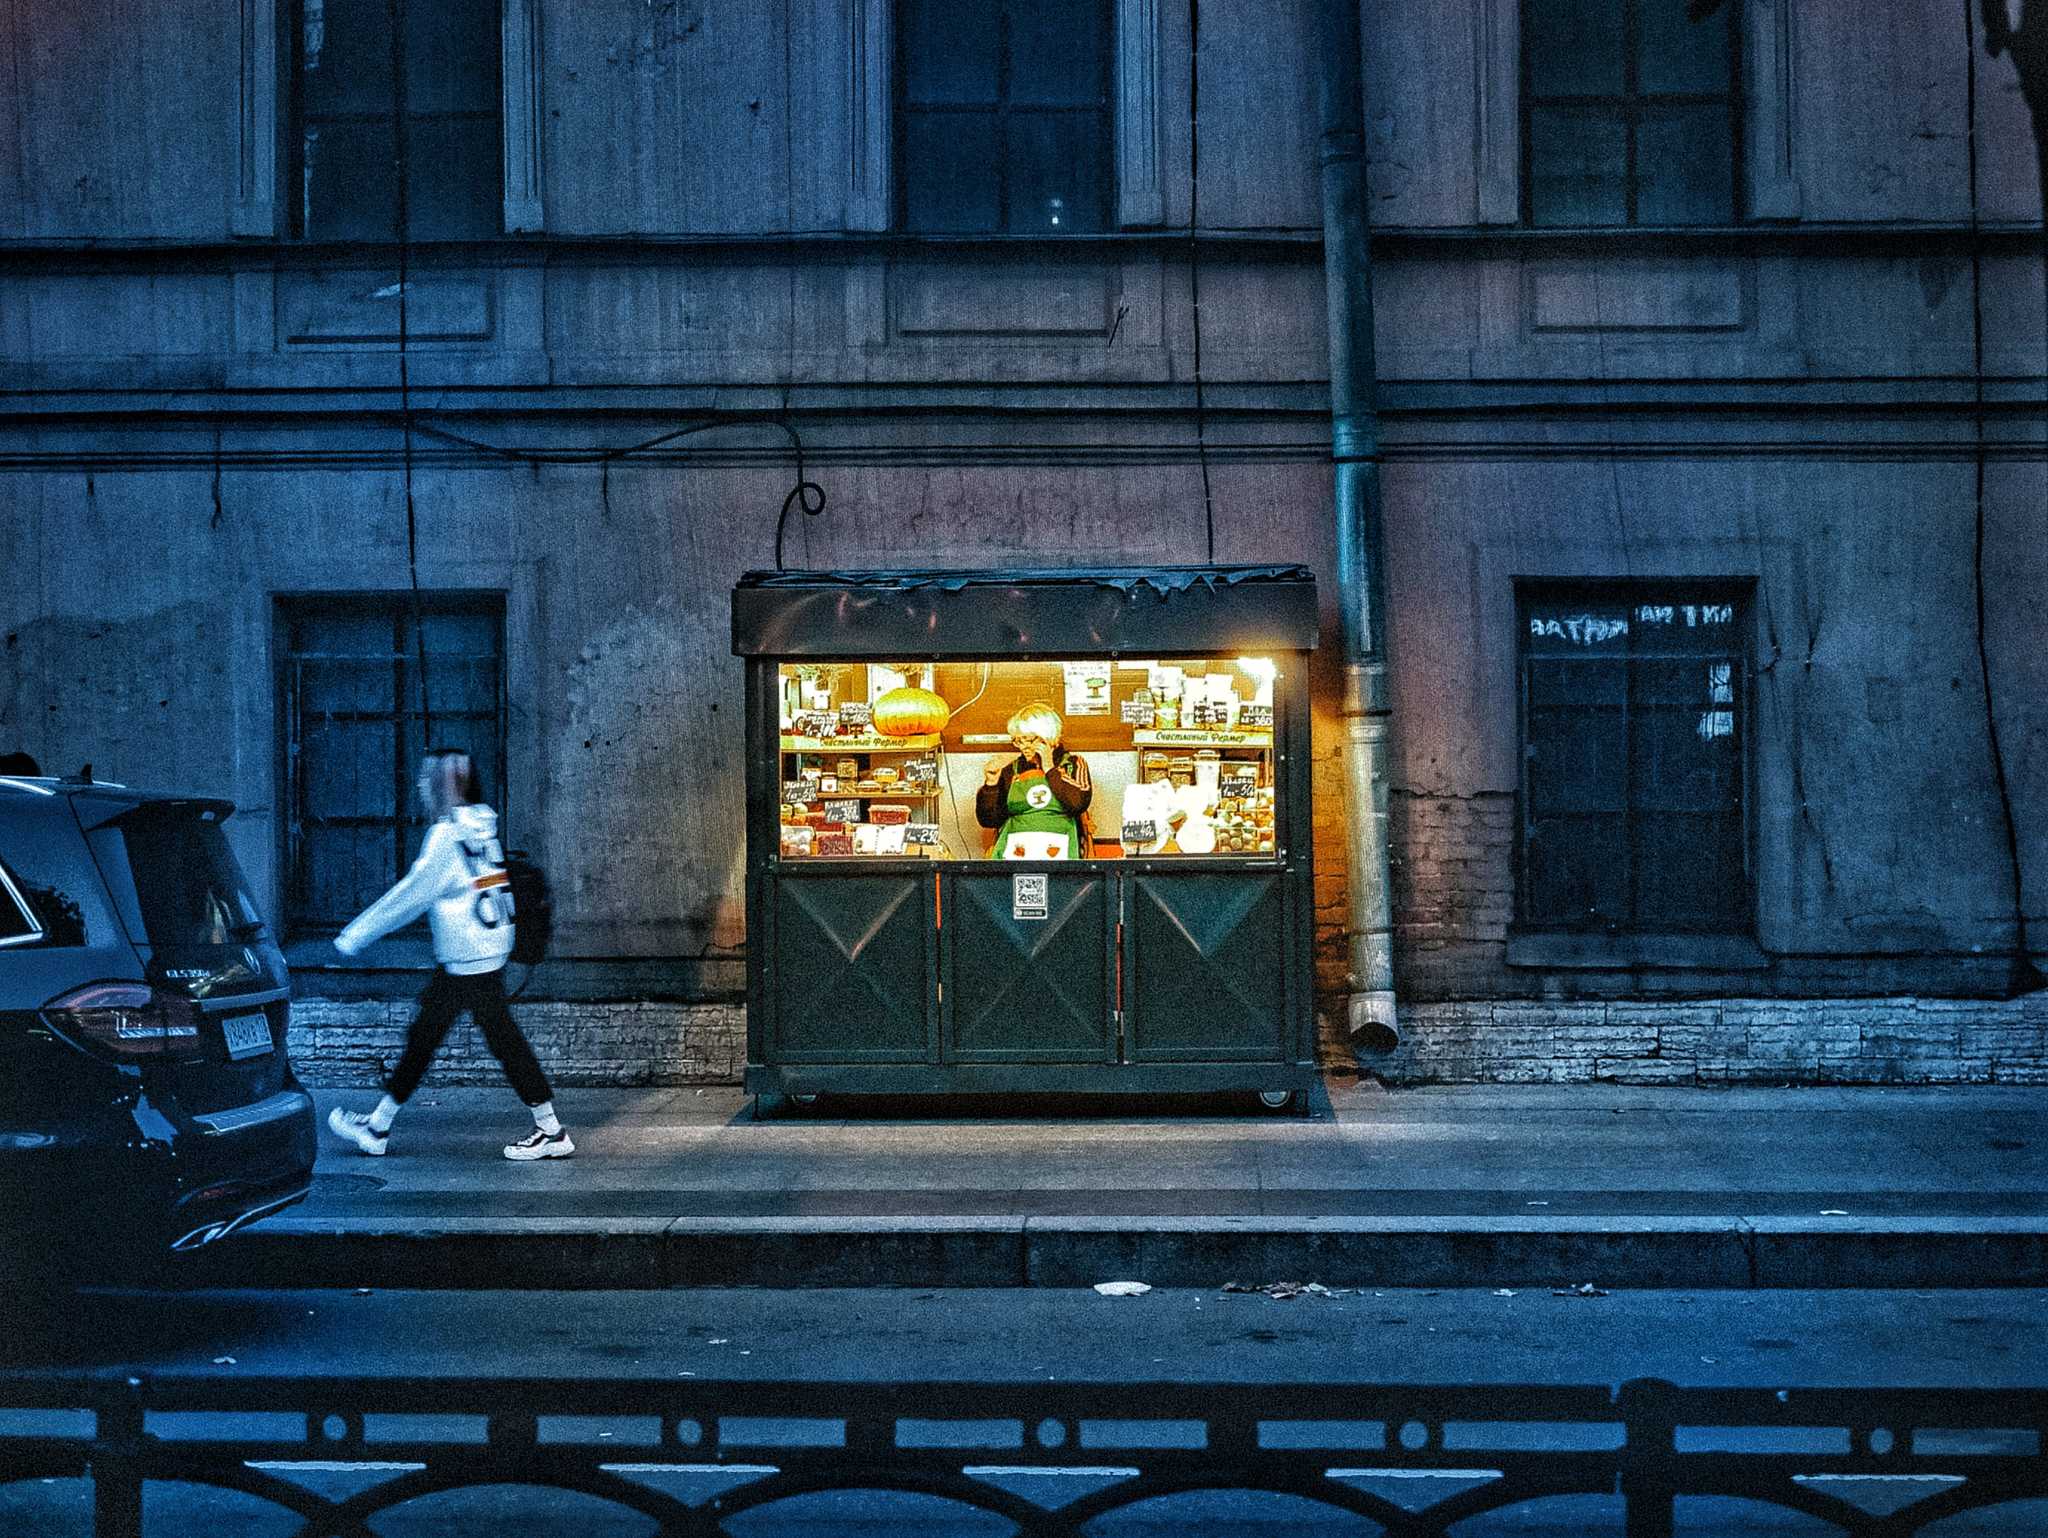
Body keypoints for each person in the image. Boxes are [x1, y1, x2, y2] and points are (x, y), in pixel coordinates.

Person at [324, 748, 573, 1161]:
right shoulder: (481, 825)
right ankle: (379, 1125)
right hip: (485, 952)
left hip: (466, 961)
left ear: (442, 785)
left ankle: (551, 1130)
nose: (421, 785)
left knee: (483, 1040)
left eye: (427, 778)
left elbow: (409, 896)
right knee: (432, 1036)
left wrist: (354, 936)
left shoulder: (446, 836)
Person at [976, 702, 1092, 859]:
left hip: (1059, 852)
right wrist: (991, 785)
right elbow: (989, 820)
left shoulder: (1073, 764)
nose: (1024, 747)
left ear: (1049, 737)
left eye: (1029, 740)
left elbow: (1078, 803)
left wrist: (1050, 768)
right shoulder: (1012, 770)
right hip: (1016, 853)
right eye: (1019, 741)